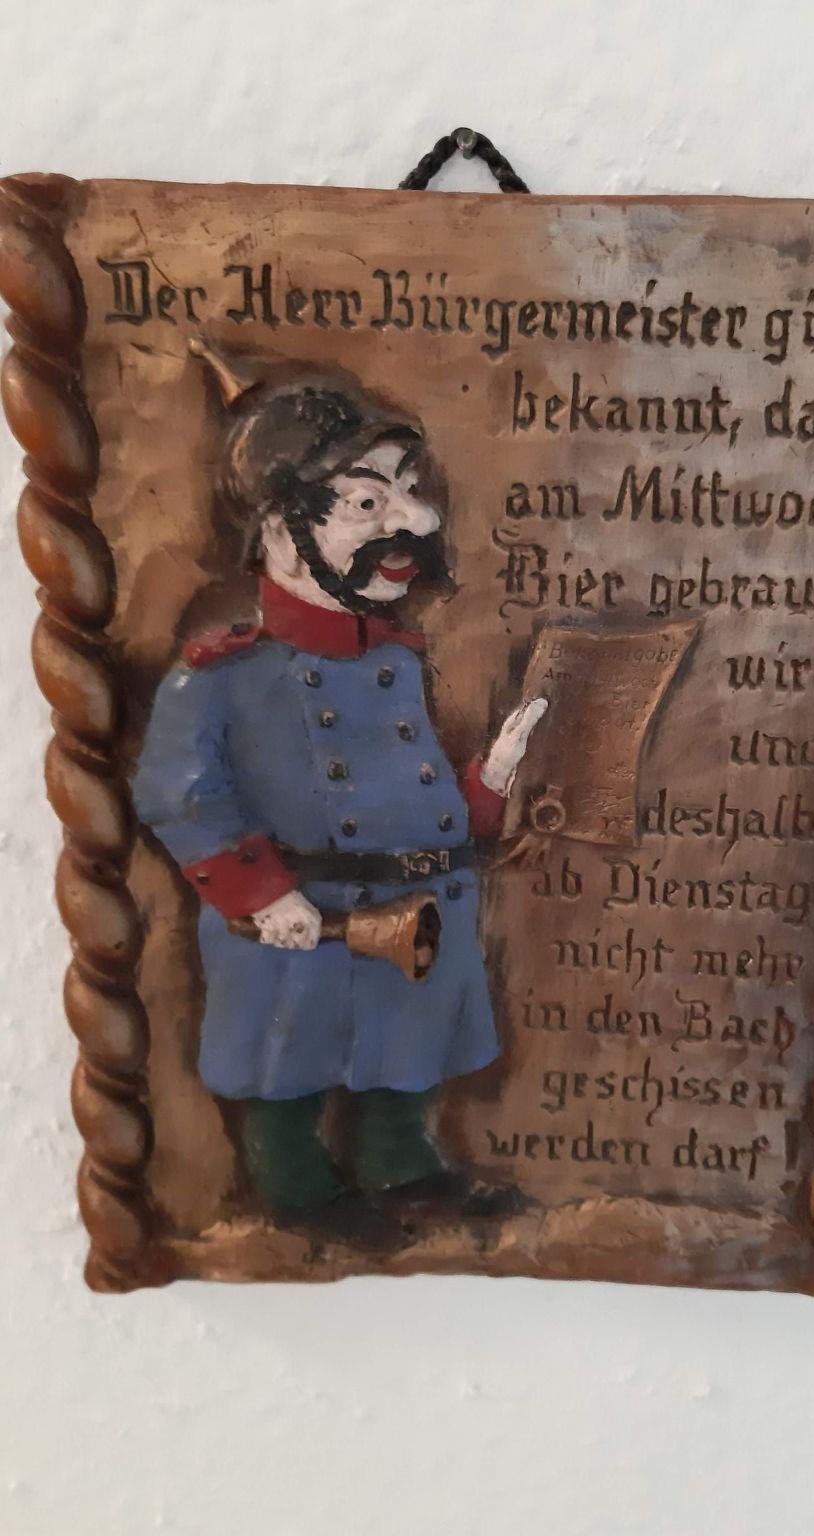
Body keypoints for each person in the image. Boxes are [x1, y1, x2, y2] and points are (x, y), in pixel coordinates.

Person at [133, 344, 545, 1236]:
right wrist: (260, 891)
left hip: (411, 917)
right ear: (283, 534)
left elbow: (412, 801)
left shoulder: (392, 661)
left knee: (405, 1058)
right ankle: (300, 1199)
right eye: (369, 503)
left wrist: (489, 781)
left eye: (410, 491)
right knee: (287, 1066)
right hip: (304, 925)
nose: (416, 520)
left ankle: (401, 1172)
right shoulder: (220, 678)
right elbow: (178, 794)